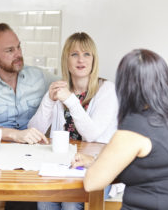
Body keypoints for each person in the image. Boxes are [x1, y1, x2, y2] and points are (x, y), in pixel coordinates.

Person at [72, 49, 168, 210]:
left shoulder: (135, 129)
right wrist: (96, 161)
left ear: (125, 86)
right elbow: (153, 165)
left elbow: (92, 183)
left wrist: (97, 164)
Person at [0, 23, 56, 210]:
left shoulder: (40, 77)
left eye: (18, 47)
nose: (18, 54)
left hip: (32, 158)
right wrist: (14, 134)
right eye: (10, 50)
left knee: (23, 202)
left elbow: (72, 87)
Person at [28, 32, 119, 210]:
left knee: (70, 203)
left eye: (87, 54)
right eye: (74, 54)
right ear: (66, 60)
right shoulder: (60, 89)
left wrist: (70, 100)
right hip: (62, 166)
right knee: (44, 200)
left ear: (94, 60)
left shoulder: (107, 90)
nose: (81, 60)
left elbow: (92, 135)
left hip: (96, 167)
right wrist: (49, 100)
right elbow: (34, 131)